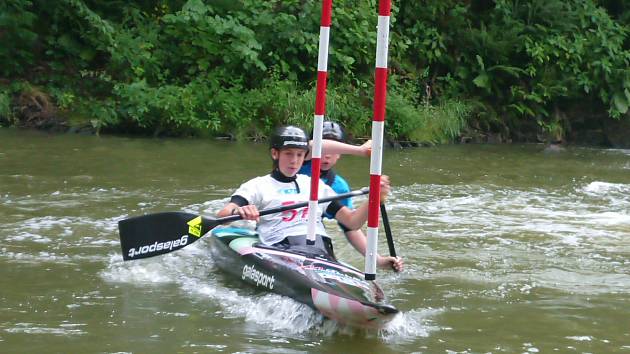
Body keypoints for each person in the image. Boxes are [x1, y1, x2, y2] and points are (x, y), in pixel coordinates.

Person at [217, 125, 390, 259]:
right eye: (289, 154)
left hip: (321, 250)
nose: (294, 161)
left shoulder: (317, 186)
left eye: (300, 155)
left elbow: (352, 223)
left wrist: (375, 199)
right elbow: (222, 215)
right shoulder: (257, 185)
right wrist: (239, 211)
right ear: (275, 153)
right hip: (281, 250)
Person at [299, 121, 403, 272]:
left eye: (334, 149)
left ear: (340, 154)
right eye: (324, 148)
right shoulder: (295, 161)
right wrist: (360, 150)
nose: (327, 154)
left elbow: (350, 227)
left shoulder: (339, 186)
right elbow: (310, 146)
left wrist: (377, 260)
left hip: (310, 236)